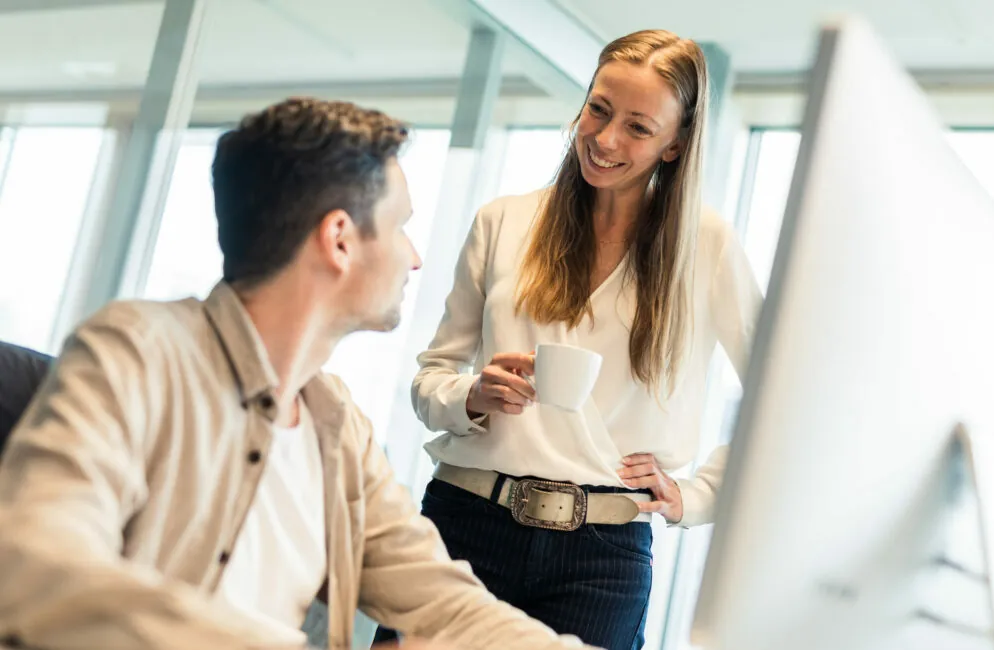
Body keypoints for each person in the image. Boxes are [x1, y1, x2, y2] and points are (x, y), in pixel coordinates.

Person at [0, 98, 597, 650]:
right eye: (399, 227)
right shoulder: (136, 352)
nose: (414, 256)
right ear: (339, 239)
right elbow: (33, 564)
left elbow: (448, 605)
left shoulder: (335, 425)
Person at [376, 30, 764, 650]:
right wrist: (473, 395)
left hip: (603, 556)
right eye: (598, 109)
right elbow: (430, 381)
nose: (605, 140)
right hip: (464, 524)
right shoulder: (503, 222)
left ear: (676, 145)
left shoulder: (707, 247)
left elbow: (782, 395)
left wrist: (696, 496)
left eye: (638, 128)